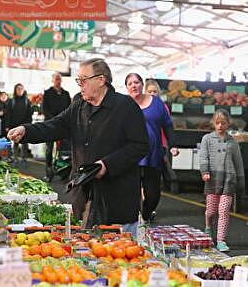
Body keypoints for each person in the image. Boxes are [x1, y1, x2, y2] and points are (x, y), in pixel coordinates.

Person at [8, 59, 149, 231]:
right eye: (78, 80)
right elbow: (54, 125)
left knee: (120, 252)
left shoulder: (125, 107)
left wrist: (107, 165)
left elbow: (139, 146)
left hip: (117, 197)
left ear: (101, 80)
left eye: (84, 79)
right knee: (85, 250)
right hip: (84, 197)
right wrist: (26, 131)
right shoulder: (79, 107)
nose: (80, 85)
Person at [125, 73, 178, 223]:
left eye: (136, 82)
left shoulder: (157, 103)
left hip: (153, 156)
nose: (133, 86)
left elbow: (168, 126)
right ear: (127, 87)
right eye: (130, 83)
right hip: (131, 158)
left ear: (142, 85)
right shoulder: (123, 104)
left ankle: (145, 215)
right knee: (130, 195)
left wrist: (172, 144)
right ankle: (133, 224)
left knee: (153, 195)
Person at [200, 109, 245, 252]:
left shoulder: (233, 141)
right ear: (213, 123)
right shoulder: (207, 139)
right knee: (211, 211)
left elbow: (238, 162)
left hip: (228, 179)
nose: (220, 126)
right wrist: (204, 171)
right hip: (213, 177)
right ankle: (208, 227)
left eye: (223, 123)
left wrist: (240, 180)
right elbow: (203, 156)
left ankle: (221, 240)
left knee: (224, 210)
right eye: (217, 123)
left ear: (228, 124)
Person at [42, 72, 71, 179]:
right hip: (50, 125)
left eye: (59, 79)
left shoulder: (66, 94)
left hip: (62, 125)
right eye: (56, 79)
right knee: (49, 149)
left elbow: (69, 109)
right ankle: (48, 171)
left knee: (63, 150)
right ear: (52, 80)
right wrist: (54, 120)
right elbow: (44, 109)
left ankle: (62, 170)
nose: (58, 81)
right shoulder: (47, 93)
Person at [6, 83, 32, 168]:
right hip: (14, 125)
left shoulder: (27, 101)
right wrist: (8, 126)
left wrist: (29, 125)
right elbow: (8, 114)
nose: (20, 90)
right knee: (15, 142)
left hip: (24, 125)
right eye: (18, 89)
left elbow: (29, 114)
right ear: (15, 90)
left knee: (24, 143)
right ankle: (15, 158)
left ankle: (24, 158)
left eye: (21, 89)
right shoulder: (11, 101)